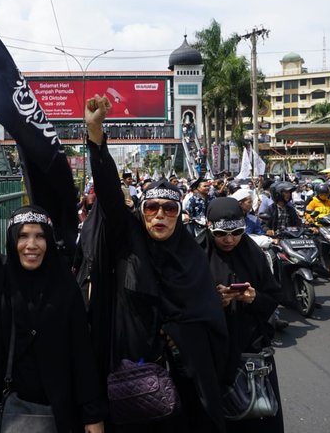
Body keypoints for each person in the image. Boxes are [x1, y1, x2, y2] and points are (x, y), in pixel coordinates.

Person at [0, 131, 106, 433]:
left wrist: (93, 417)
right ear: (13, 241)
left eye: (40, 236)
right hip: (6, 412)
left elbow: (82, 356)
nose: (32, 244)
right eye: (24, 236)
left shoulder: (65, 287)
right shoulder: (0, 275)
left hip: (58, 414)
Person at [84, 95, 230, 432]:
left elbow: (209, 322)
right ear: (142, 212)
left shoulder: (191, 255)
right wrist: (96, 135)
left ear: (179, 216)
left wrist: (181, 337)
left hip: (186, 382)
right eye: (152, 208)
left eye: (169, 208)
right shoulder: (129, 243)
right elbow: (108, 195)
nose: (160, 215)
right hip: (134, 383)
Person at [204, 198, 285, 433]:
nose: (229, 240)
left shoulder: (254, 255)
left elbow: (272, 298)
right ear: (210, 228)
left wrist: (253, 298)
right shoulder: (196, 256)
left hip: (250, 351)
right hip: (211, 354)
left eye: (237, 232)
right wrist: (213, 302)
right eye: (221, 234)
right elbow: (183, 304)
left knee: (256, 417)